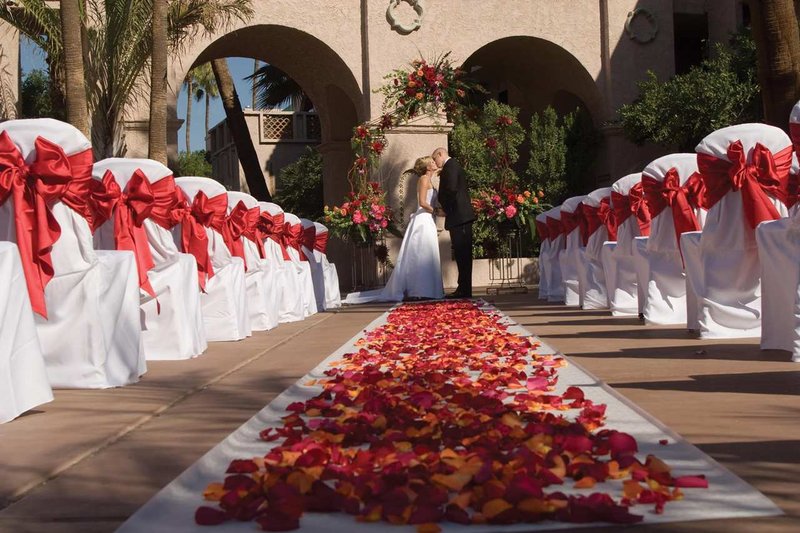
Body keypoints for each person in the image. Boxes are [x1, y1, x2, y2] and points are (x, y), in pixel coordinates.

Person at [344, 156, 445, 303]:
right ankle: (418, 289)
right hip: (423, 219)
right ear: (427, 167)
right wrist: (436, 211)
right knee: (421, 254)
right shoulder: (423, 179)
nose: (435, 163)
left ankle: (427, 289)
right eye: (432, 162)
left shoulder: (429, 180)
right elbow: (422, 202)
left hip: (428, 219)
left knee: (427, 254)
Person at [432, 147, 475, 298]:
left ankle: (464, 289)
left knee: (463, 254)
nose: (434, 162)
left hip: (460, 217)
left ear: (440, 154)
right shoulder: (453, 166)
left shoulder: (450, 167)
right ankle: (463, 288)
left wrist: (445, 209)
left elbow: (450, 190)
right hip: (459, 217)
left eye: (435, 158)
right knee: (461, 254)